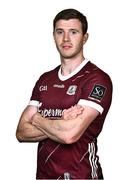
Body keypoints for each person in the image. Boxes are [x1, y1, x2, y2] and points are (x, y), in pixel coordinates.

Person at [16, 8, 113, 179]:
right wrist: (61, 121)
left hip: (81, 175)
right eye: (60, 32)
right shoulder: (44, 79)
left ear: (85, 37)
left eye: (73, 32)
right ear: (53, 36)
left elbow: (69, 135)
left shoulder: (97, 79)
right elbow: (21, 132)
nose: (66, 39)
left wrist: (37, 119)